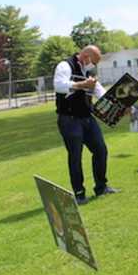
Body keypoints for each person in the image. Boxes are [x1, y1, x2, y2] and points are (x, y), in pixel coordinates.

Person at [54, 45, 117, 205]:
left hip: (87, 118)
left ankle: (101, 187)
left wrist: (120, 106)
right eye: (93, 62)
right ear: (86, 56)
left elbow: (99, 91)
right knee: (75, 156)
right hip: (69, 119)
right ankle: (79, 194)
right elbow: (59, 85)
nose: (93, 66)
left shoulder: (88, 72)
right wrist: (81, 85)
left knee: (100, 150)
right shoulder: (65, 65)